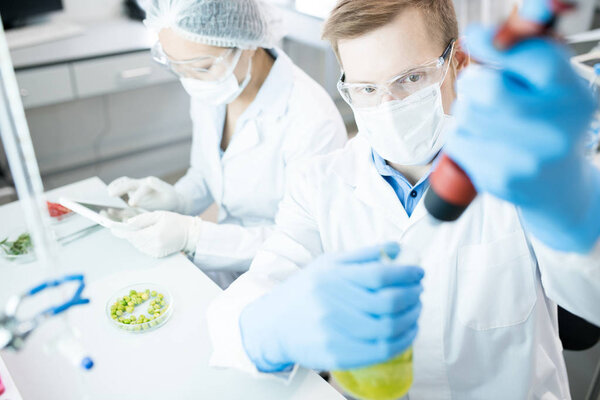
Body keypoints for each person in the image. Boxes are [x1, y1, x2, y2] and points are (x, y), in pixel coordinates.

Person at [206, 0, 600, 398]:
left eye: (410, 78)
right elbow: (247, 301)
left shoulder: (524, 172)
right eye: (365, 89)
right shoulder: (318, 184)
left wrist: (572, 208)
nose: (387, 106)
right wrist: (268, 330)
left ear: (458, 62)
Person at [107, 0, 347, 288]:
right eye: (177, 67)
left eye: (202, 67)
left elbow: (300, 242)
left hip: (285, 282)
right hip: (224, 265)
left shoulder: (312, 120)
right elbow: (207, 173)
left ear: (246, 43)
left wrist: (194, 236)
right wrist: (177, 199)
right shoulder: (215, 86)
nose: (191, 82)